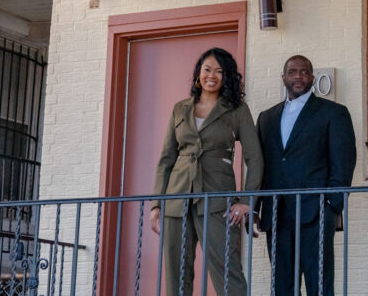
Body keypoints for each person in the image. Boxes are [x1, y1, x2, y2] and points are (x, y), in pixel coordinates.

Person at [150, 47, 263, 296]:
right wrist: (157, 203)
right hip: (177, 199)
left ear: (228, 77)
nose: (212, 75)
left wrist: (247, 201)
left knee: (227, 273)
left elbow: (255, 158)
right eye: (207, 69)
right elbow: (166, 159)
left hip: (217, 200)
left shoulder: (237, 109)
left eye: (220, 71)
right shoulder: (180, 109)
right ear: (198, 73)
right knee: (176, 274)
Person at [256, 55, 357, 296]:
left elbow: (343, 161)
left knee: (319, 284)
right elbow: (260, 166)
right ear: (283, 78)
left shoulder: (333, 113)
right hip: (276, 213)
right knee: (282, 287)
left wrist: (333, 205)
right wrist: (256, 206)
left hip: (316, 212)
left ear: (312, 78)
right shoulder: (266, 118)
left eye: (304, 72)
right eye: (292, 72)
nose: (298, 76)